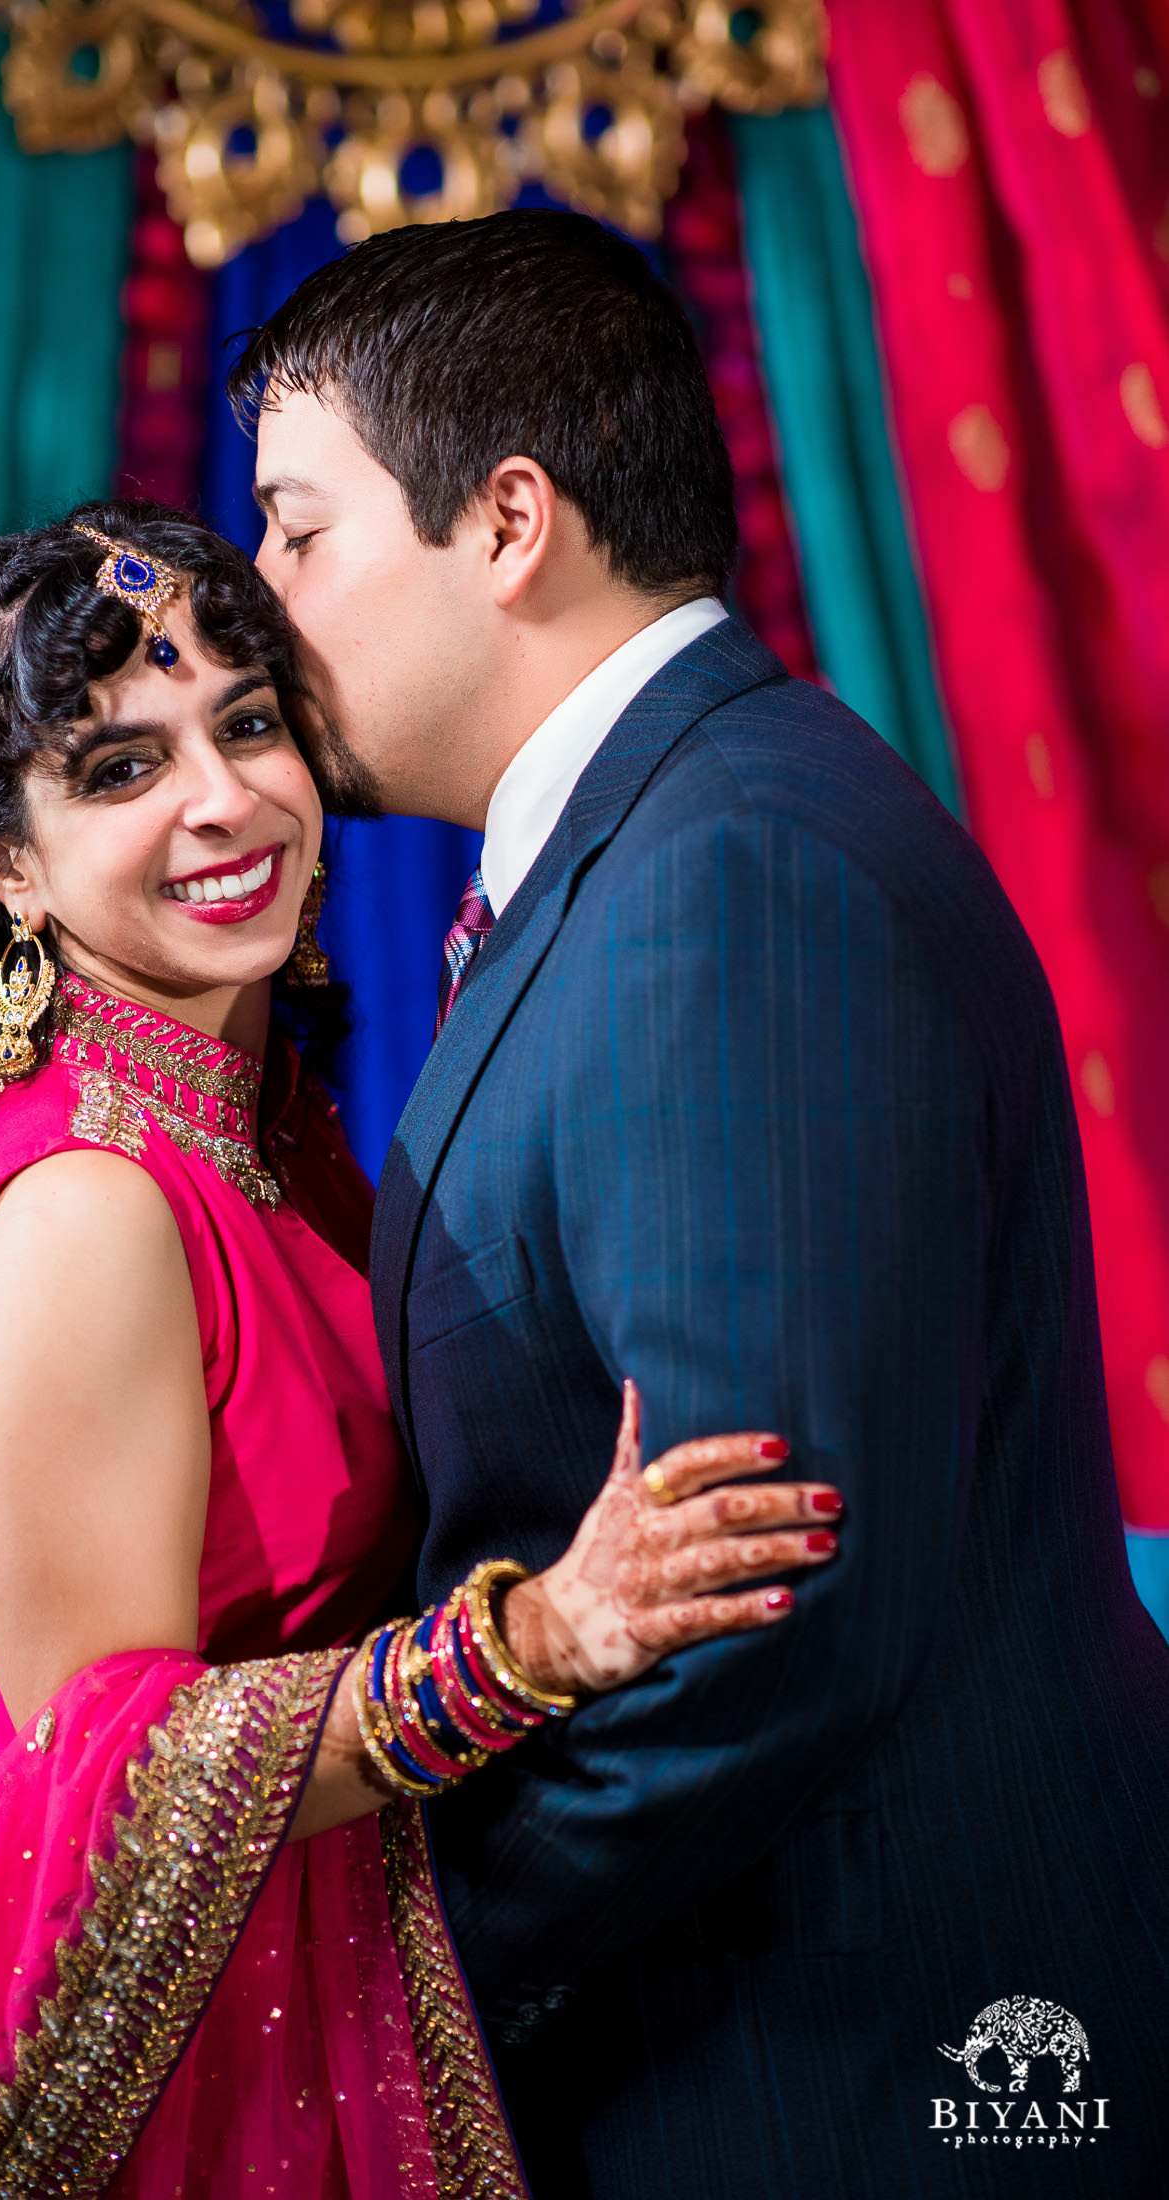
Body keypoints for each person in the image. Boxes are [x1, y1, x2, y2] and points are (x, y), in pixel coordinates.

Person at [0, 510, 843, 2198]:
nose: (221, 800)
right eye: (115, 769)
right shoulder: (90, 1202)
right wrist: (537, 1639)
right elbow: (99, 1797)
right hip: (173, 2064)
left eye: (244, 723)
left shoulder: (254, 1134)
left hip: (324, 1962)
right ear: (6, 864)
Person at [232, 209, 1169, 2195]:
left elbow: (768, 1592)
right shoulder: (671, 837)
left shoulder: (727, 876)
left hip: (842, 2063)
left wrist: (411, 1981)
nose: (262, 608)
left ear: (506, 521)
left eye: (298, 532)